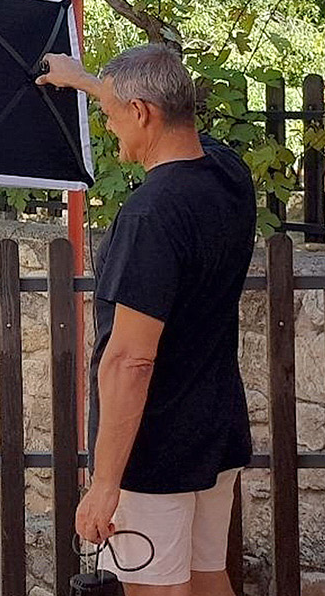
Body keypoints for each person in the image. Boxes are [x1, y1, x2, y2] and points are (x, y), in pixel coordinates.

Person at [36, 45, 256, 595]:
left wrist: (105, 484)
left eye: (111, 115)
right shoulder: (229, 175)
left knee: (155, 590)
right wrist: (85, 81)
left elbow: (131, 359)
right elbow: (163, 112)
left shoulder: (150, 216)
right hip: (216, 431)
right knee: (209, 580)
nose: (109, 128)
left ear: (142, 113)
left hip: (154, 452)